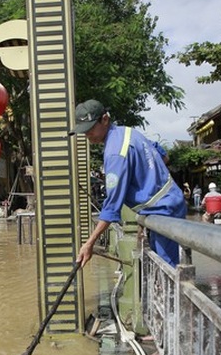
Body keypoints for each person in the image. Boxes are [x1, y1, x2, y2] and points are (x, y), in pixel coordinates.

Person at [69, 99, 187, 267]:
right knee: (163, 265)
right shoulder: (127, 132)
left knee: (166, 268)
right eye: (84, 131)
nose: (87, 135)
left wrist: (89, 243)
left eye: (90, 129)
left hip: (163, 210)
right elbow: (162, 154)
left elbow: (111, 206)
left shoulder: (115, 154)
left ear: (104, 119)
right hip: (170, 200)